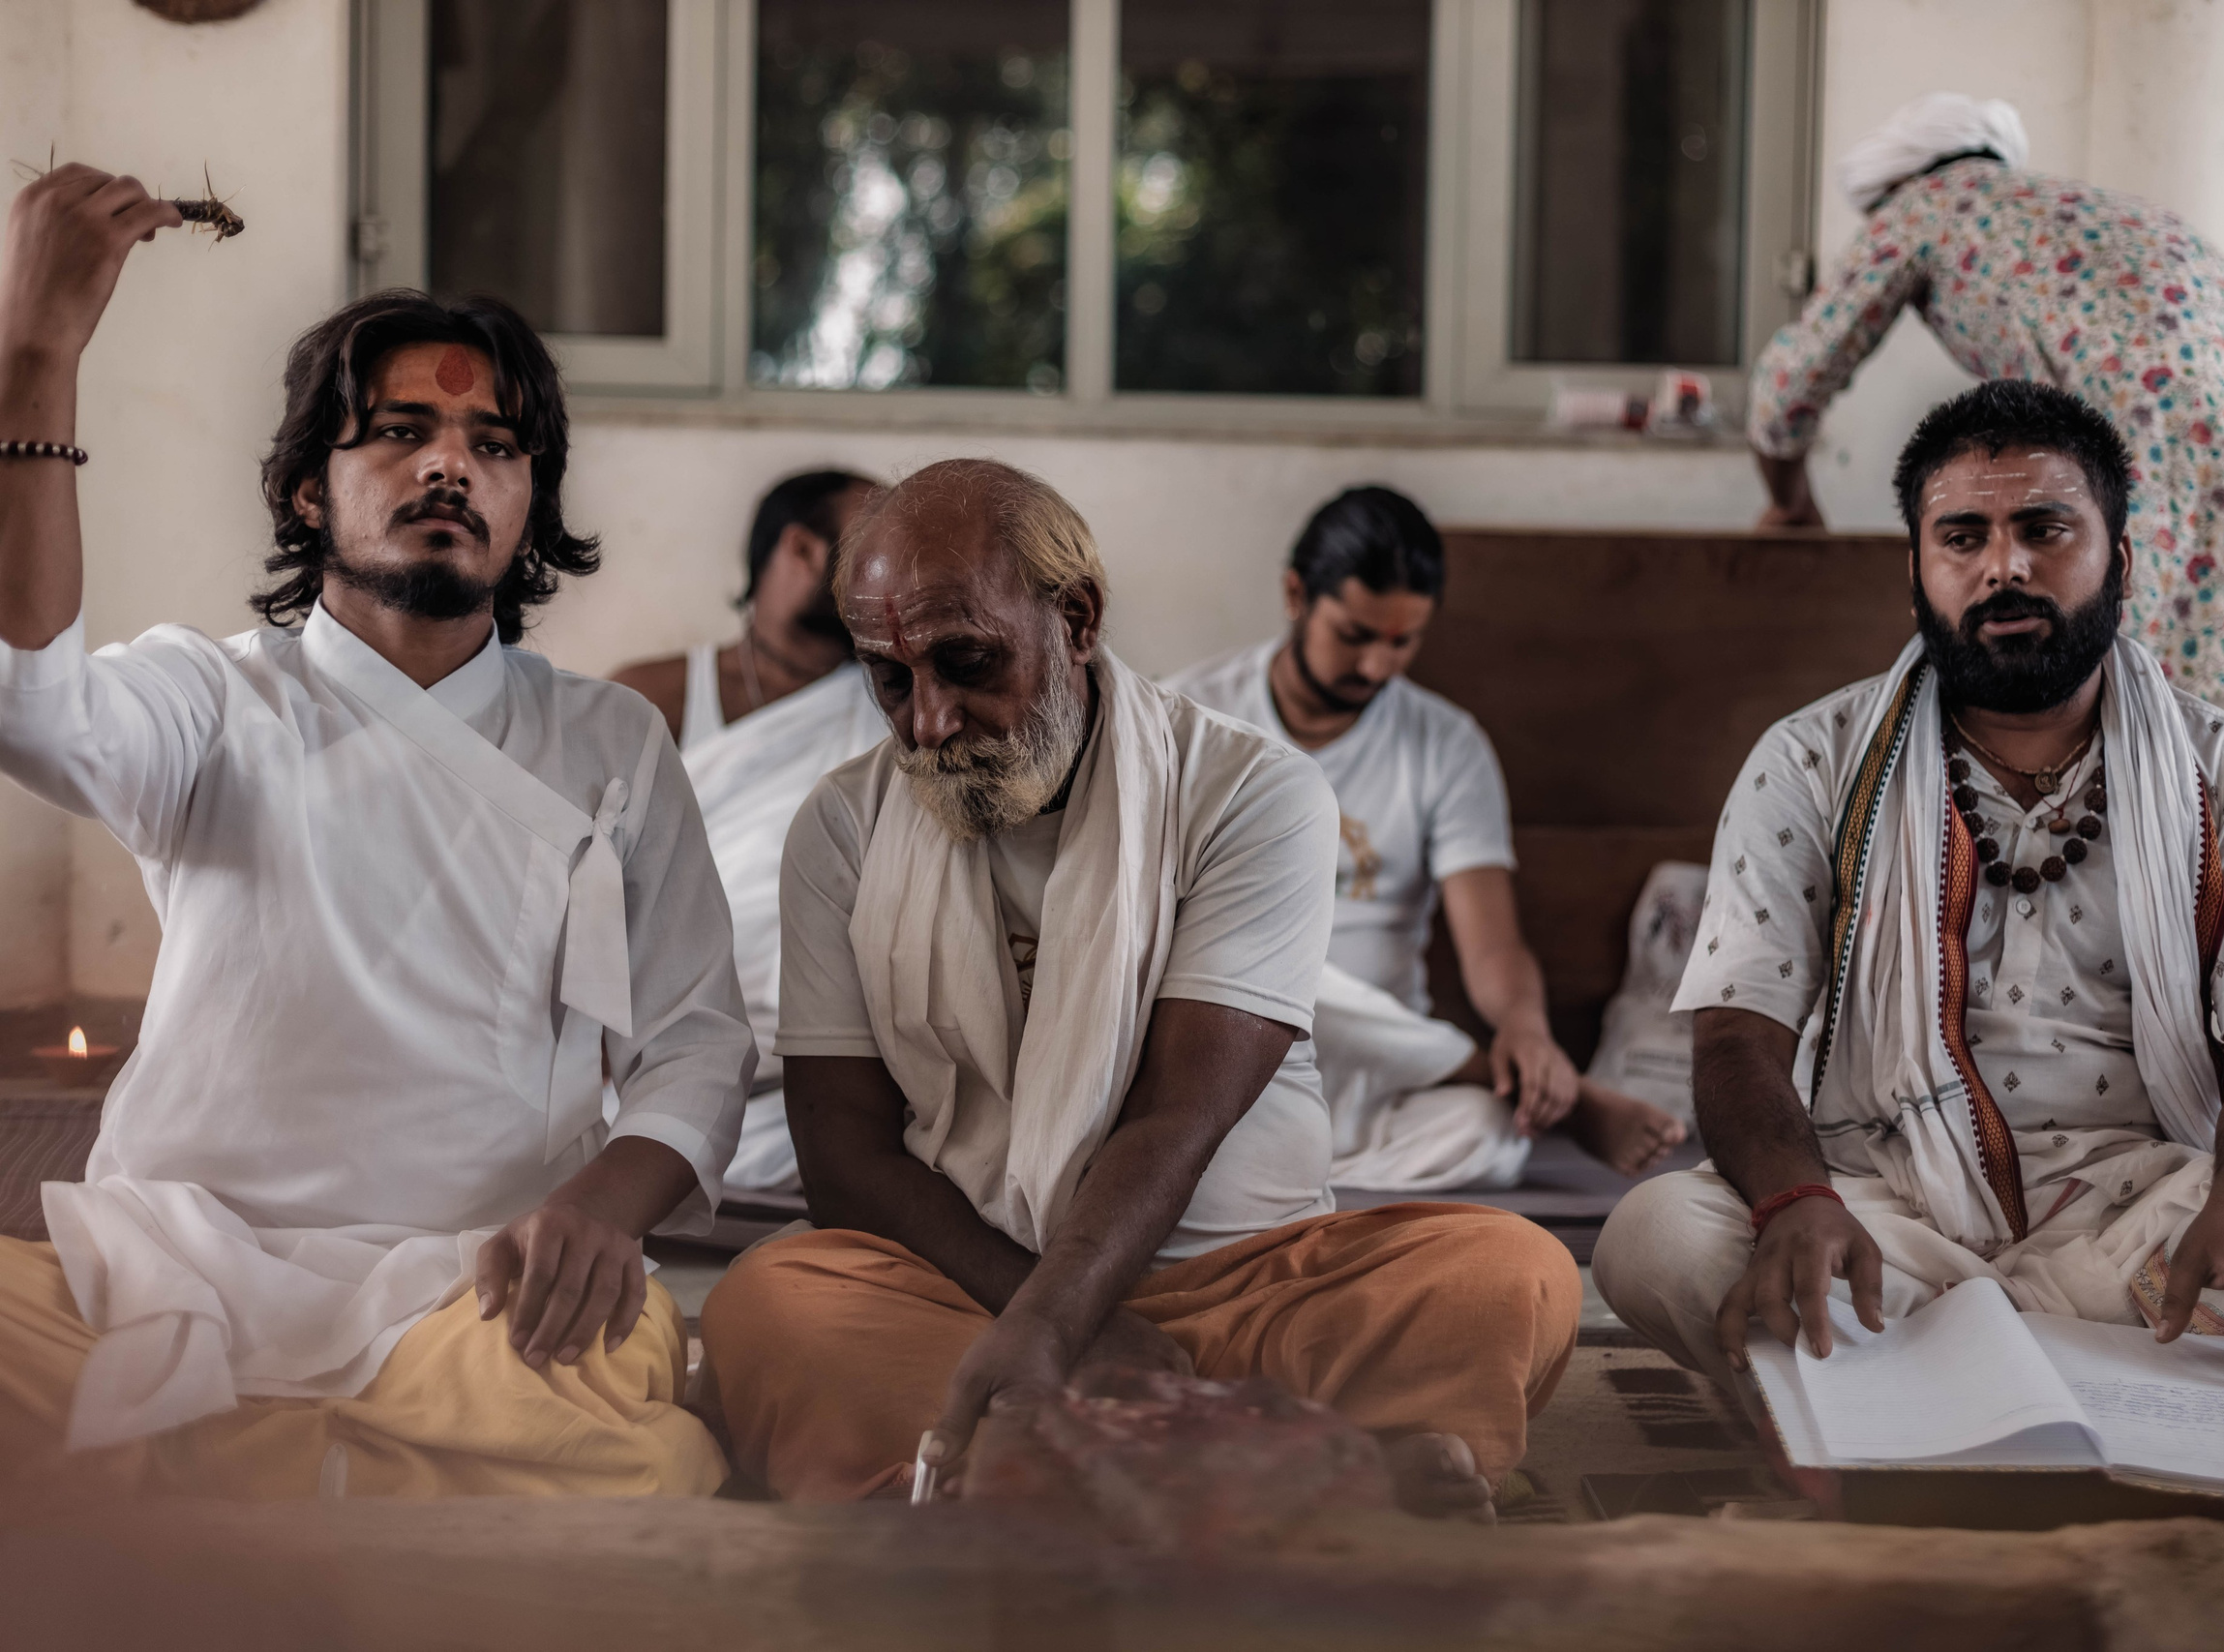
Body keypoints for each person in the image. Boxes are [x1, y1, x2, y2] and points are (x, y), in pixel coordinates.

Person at [0, 165, 751, 1498]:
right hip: (170, 1261)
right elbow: (30, 707)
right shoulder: (212, 696)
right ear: (308, 490)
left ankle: (208, 1493)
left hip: (474, 1287)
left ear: (526, 512)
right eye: (398, 431)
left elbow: (695, 1044)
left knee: (620, 1437)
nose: (449, 461)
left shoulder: (610, 743)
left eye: (496, 448)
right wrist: (38, 352)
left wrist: (596, 1207)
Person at [697, 460, 1578, 1517]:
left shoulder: (1250, 793)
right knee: (767, 1307)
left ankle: (1033, 1485)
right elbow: (843, 1157)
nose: (928, 722)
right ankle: (1302, 1474)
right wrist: (1045, 1317)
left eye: (965, 663)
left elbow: (1178, 1114)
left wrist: (1055, 1331)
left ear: (1076, 618)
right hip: (971, 1289)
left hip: (1242, 1281)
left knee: (1506, 1273)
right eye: (892, 678)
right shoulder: (840, 827)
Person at [1593, 381, 2224, 1400]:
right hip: (1887, 1214)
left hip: (2153, 1208)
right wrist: (1795, 1200)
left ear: (2120, 558)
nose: (2002, 565)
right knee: (1653, 1236)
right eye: (1961, 536)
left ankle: (1921, 1403)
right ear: (1917, 570)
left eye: (2043, 528)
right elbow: (1739, 1034)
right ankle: (2142, 1402)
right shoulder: (1808, 761)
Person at [1746, 92, 2224, 736]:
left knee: (2125, 698)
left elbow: (1786, 386)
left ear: (1899, 182)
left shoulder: (1921, 206)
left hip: (2149, 409)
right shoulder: (2069, 204)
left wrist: (1789, 503)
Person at [1168, 486, 1684, 1189]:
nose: (1377, 665)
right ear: (1296, 594)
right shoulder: (1189, 721)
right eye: (1355, 635)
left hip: (1383, 1075)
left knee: (1494, 1137)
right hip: (1224, 1056)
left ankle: (1282, 1172)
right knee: (1270, 966)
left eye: (1402, 641)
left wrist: (1527, 1032)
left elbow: (1493, 943)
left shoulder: (1445, 743)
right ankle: (1512, 1087)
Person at [614, 469, 887, 1193]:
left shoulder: (900, 708)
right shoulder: (653, 695)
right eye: (874, 543)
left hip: (829, 1040)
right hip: (667, 1011)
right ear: (799, 547)